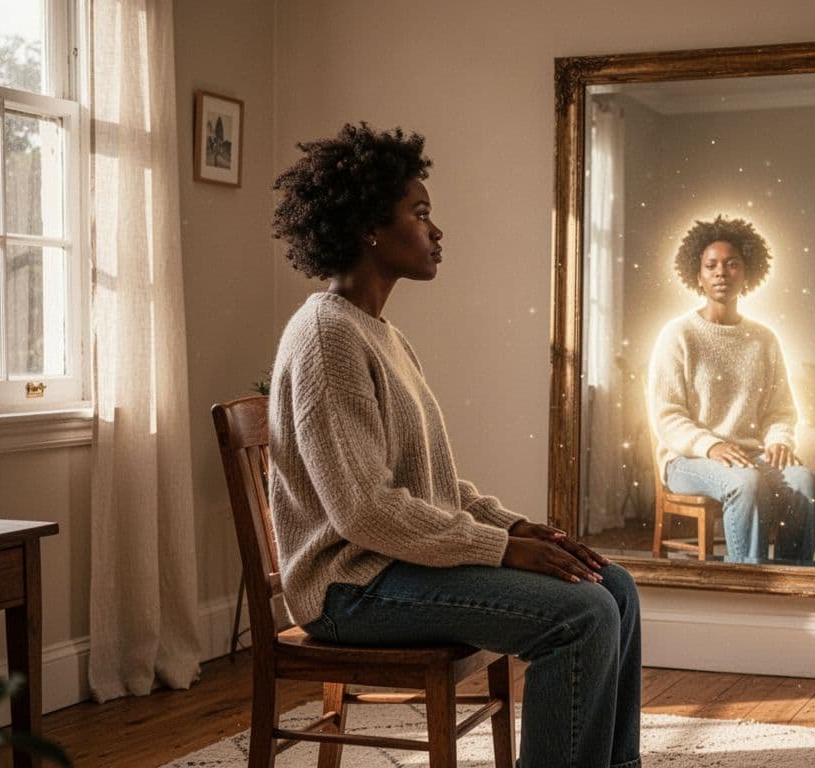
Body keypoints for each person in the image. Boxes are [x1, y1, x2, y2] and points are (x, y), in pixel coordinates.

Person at [267, 123, 641, 768]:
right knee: (580, 616)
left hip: (393, 568)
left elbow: (431, 485)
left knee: (616, 586)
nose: (436, 231)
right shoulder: (328, 337)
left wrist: (517, 526)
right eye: (420, 213)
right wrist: (501, 549)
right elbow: (364, 511)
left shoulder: (379, 333)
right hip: (349, 590)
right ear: (368, 228)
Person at [646, 215, 815, 565]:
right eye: (710, 265)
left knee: (805, 485)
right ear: (697, 276)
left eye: (731, 264)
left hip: (750, 456)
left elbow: (781, 409)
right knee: (747, 485)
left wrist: (779, 440)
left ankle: (791, 579)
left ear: (747, 273)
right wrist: (711, 446)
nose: (720, 272)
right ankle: (748, 578)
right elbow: (667, 415)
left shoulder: (764, 339)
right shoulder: (678, 335)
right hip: (688, 459)